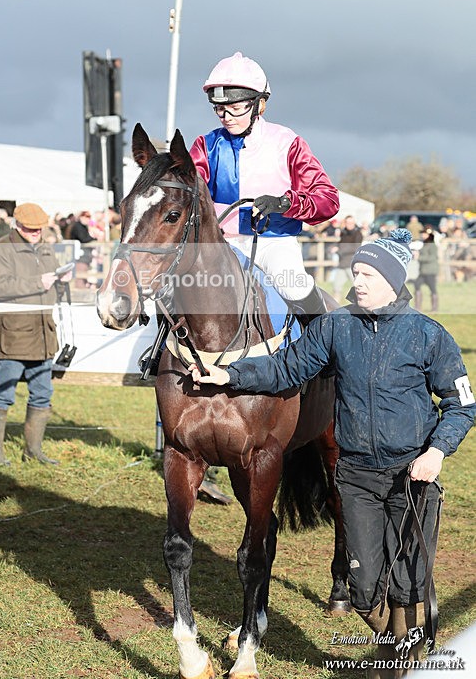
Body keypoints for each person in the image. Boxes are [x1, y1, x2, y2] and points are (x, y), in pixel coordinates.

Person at [189, 228, 475, 678]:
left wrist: (437, 451)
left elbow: (462, 404)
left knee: (410, 580)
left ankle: (399, 666)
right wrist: (231, 376)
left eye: (368, 274)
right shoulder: (335, 326)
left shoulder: (428, 335)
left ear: (393, 280)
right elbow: (286, 367)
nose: (357, 280)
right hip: (357, 476)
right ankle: (404, 652)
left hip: (412, 475)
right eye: (356, 272)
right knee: (362, 590)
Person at [189, 51, 340, 320]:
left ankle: (324, 345)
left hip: (274, 244)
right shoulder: (206, 145)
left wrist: (285, 203)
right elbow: (188, 194)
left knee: (293, 284)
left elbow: (328, 199)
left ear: (260, 105)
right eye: (219, 108)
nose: (226, 116)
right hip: (220, 244)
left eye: (235, 108)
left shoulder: (287, 142)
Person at [0, 202, 72, 466]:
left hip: (43, 334)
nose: (35, 232)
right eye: (30, 229)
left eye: (38, 229)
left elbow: (51, 291)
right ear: (17, 225)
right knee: (3, 393)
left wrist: (61, 282)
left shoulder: (46, 247)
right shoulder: (0, 248)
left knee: (43, 393)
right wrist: (38, 282)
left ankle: (33, 450)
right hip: (13, 335)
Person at [329, 214, 363, 302]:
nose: (349, 224)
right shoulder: (343, 233)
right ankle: (335, 308)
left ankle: (362, 309)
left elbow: (355, 248)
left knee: (358, 287)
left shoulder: (358, 234)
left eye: (351, 223)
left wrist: (339, 250)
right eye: (348, 223)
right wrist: (333, 247)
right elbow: (339, 243)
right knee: (336, 287)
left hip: (352, 265)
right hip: (342, 264)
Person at [414, 228, 439, 311]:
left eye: (424, 234)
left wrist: (419, 257)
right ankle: (417, 308)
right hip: (423, 271)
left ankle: (434, 308)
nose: (423, 235)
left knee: (432, 289)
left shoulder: (432, 245)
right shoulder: (425, 245)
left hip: (430, 271)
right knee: (417, 285)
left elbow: (432, 257)